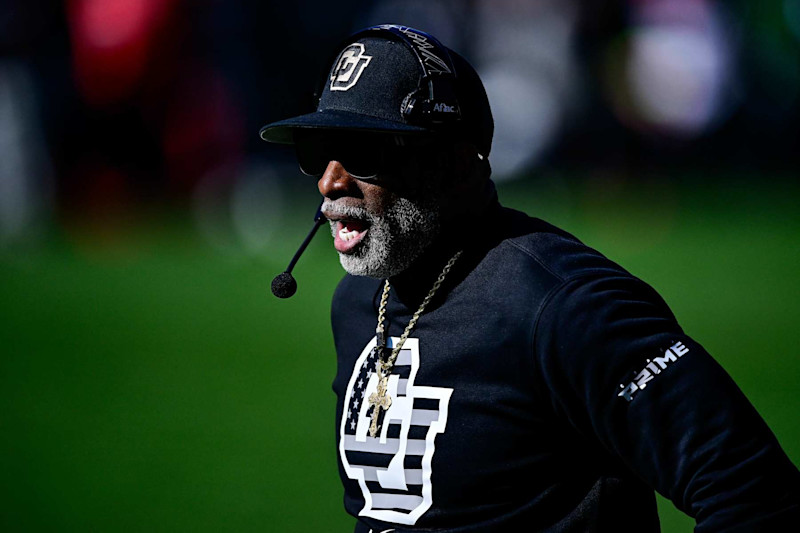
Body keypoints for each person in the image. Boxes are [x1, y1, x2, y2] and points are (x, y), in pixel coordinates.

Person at [260, 24, 799, 532]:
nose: (330, 181)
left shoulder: (569, 304)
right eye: (318, 151)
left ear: (452, 159)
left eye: (361, 153)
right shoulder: (359, 300)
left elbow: (754, 491)